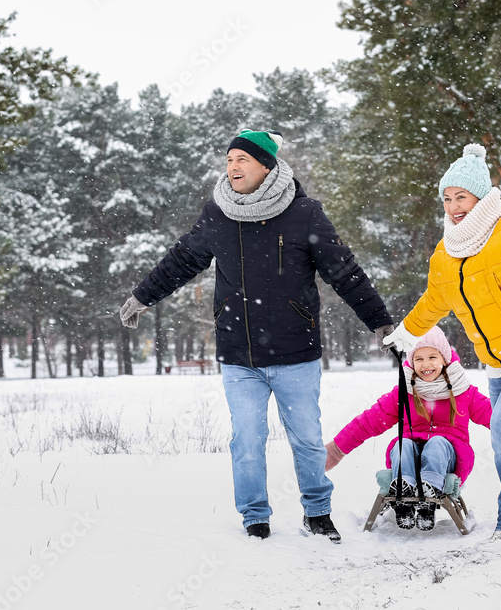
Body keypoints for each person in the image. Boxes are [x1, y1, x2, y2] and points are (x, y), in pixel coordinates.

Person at [120, 129, 395, 542]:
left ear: (266, 166)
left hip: (296, 353)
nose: (233, 166)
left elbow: (344, 271)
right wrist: (143, 296)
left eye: (242, 159)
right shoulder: (217, 213)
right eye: (229, 159)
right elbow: (182, 260)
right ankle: (255, 517)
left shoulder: (304, 213)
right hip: (238, 354)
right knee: (247, 441)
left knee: (306, 440)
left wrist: (380, 321)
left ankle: (317, 511)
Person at [382, 143, 501, 551]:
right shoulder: (446, 252)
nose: (454, 206)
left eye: (462, 197)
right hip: (498, 357)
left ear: (482, 197)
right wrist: (406, 332)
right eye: (448, 198)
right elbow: (433, 302)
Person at [324, 326, 501, 531]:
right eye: (419, 359)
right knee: (402, 444)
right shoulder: (404, 393)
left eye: (432, 357)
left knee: (438, 442)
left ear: (445, 359)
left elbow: (498, 419)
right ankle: (403, 499)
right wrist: (336, 450)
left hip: (449, 458)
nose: (426, 365)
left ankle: (429, 497)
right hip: (407, 461)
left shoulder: (463, 393)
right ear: (410, 362)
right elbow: (368, 422)